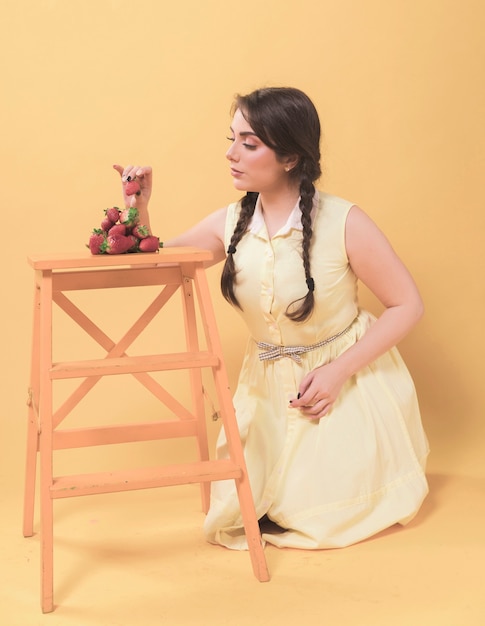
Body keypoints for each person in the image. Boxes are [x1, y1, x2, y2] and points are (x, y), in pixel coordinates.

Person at [113, 86, 429, 550]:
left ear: (289, 157)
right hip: (264, 390)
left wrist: (338, 372)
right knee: (244, 513)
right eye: (232, 138)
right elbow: (157, 263)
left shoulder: (344, 221)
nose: (230, 153)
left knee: (312, 515)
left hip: (340, 383)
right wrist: (137, 206)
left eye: (249, 142)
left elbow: (408, 304)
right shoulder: (232, 221)